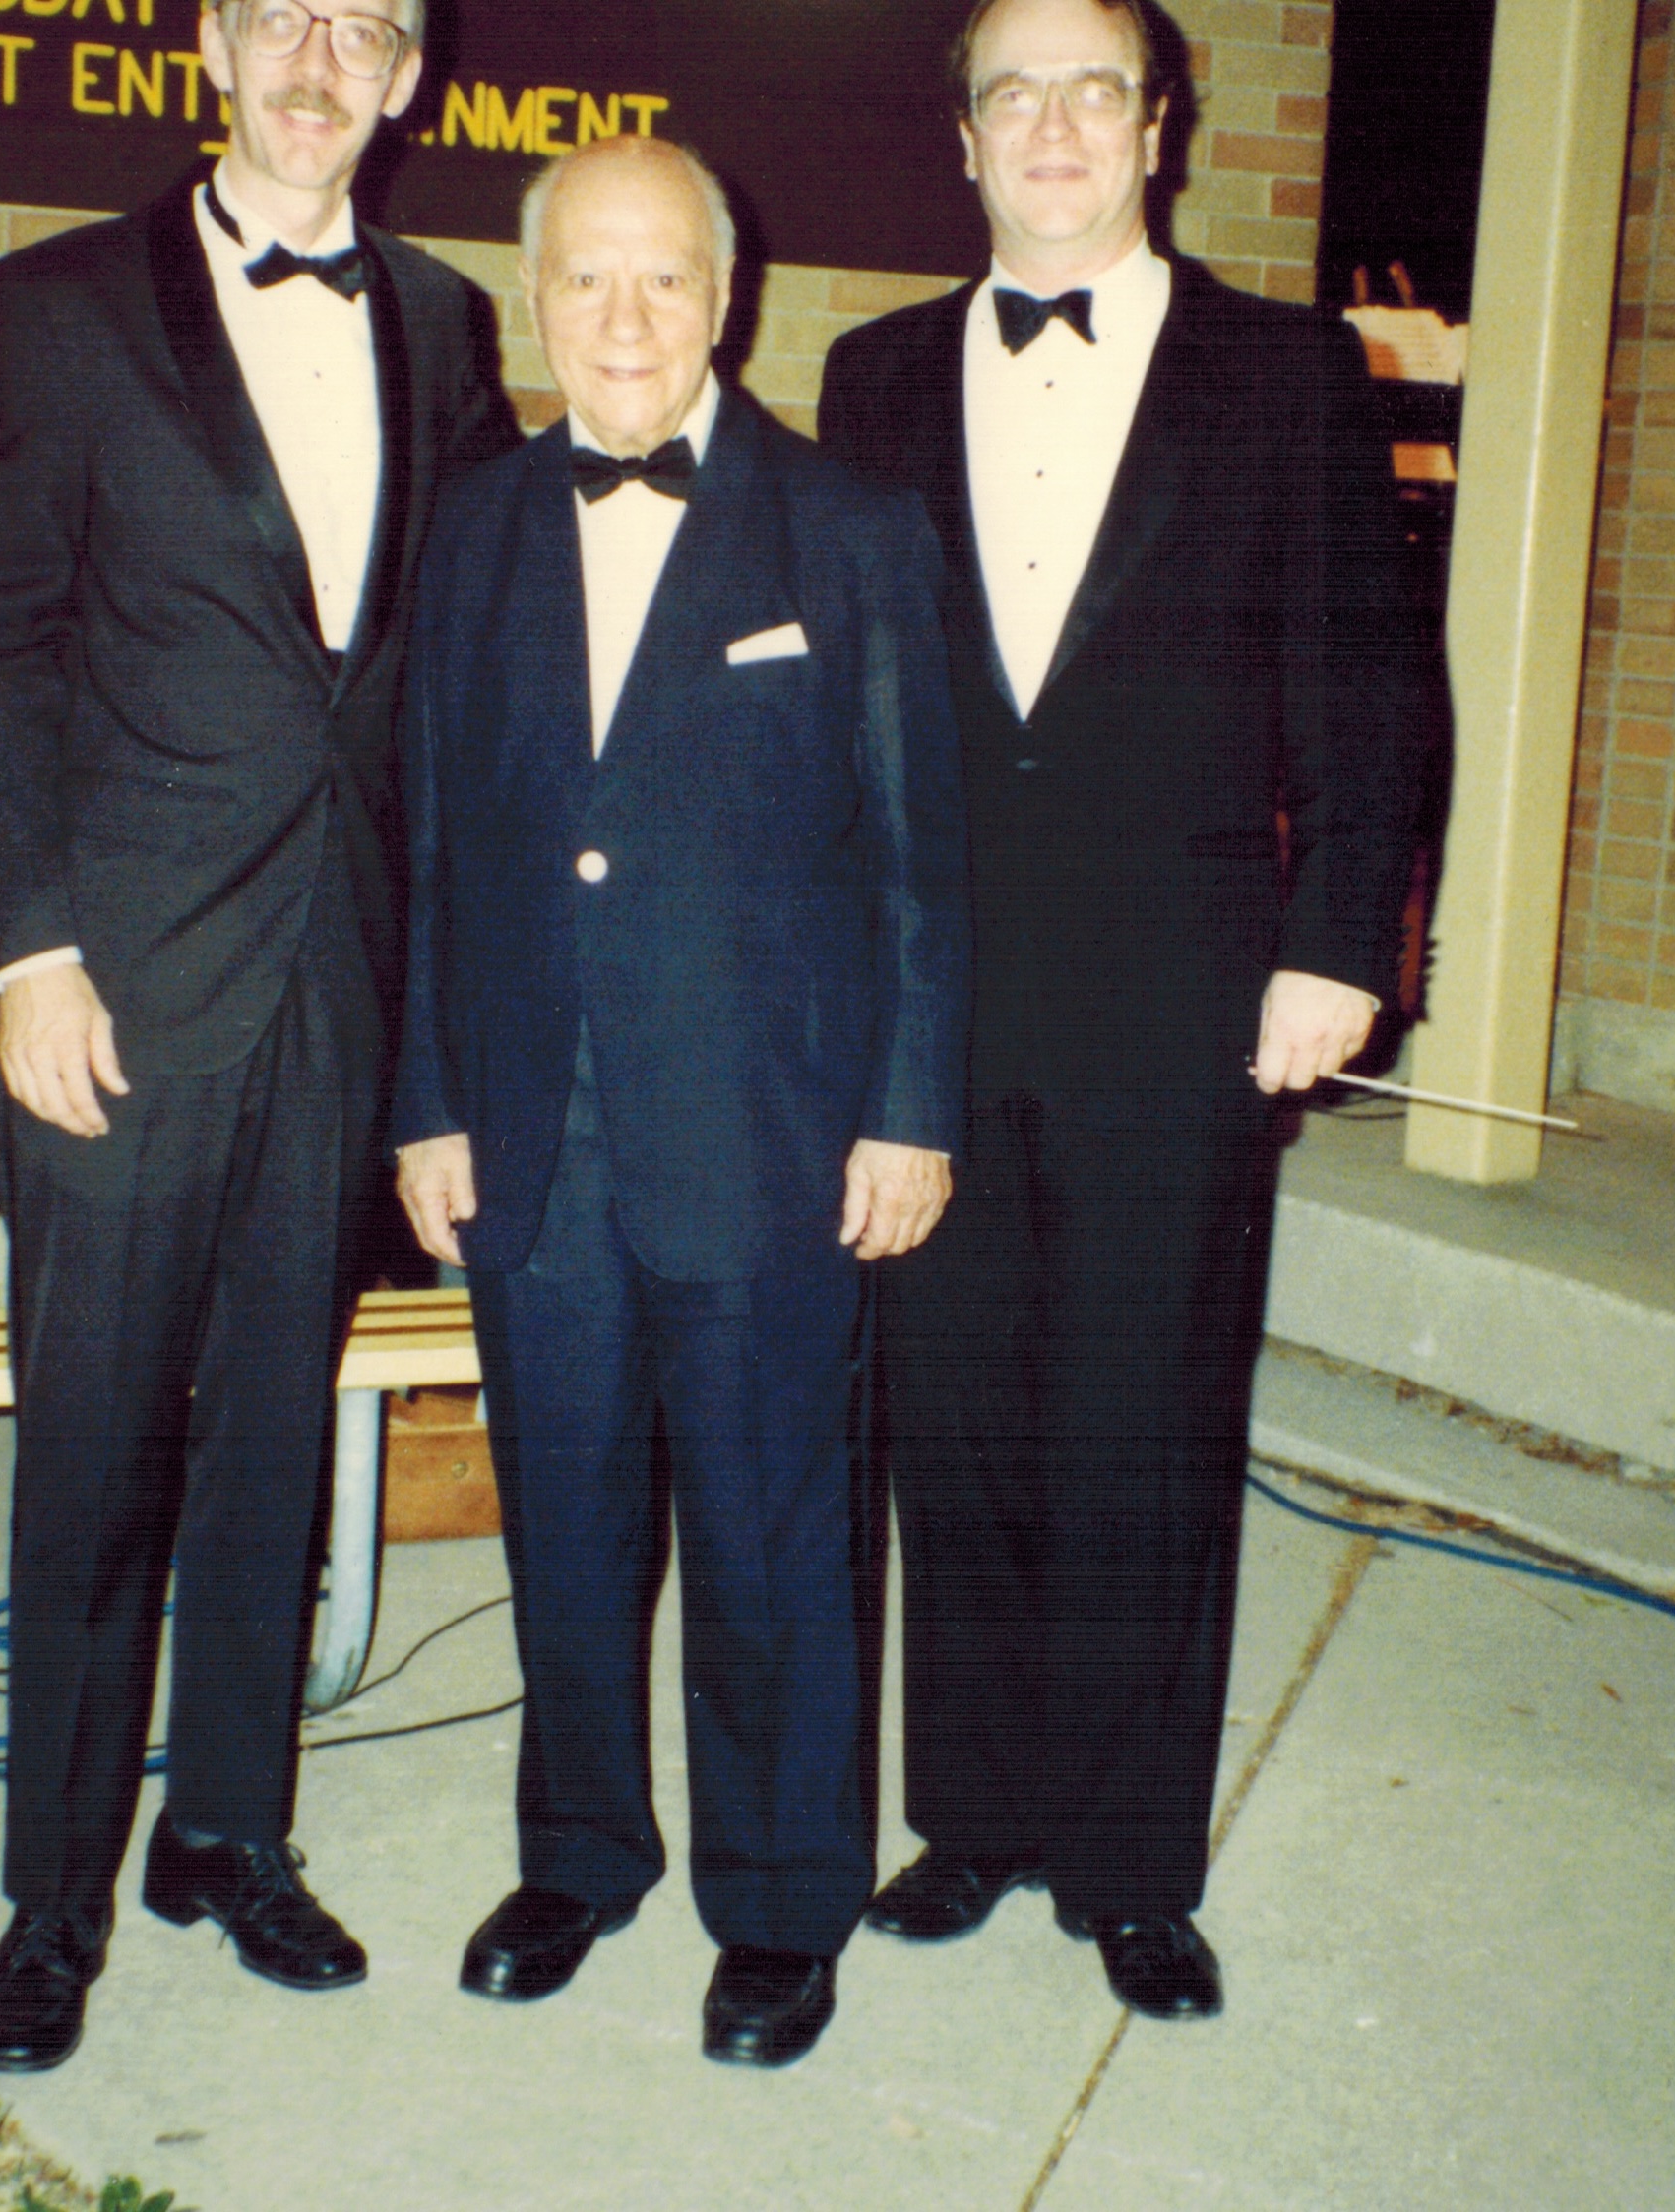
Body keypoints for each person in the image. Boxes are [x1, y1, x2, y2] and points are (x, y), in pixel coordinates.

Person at [819, 0, 1429, 2022]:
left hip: (1187, 989)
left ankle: (1129, 1854)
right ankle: (978, 1812)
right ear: (966, 140)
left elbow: (1371, 675)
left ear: (1156, 128)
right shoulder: (876, 373)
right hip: (936, 1004)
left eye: (1097, 89)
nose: (1056, 125)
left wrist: (1337, 940)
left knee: (1145, 1425)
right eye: (1017, 92)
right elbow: (840, 709)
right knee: (959, 1410)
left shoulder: (1287, 369)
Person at [0, 0, 516, 2074]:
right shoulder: (56, 306)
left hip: (339, 983)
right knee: (96, 1445)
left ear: (408, 76)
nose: (313, 55)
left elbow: (447, 674)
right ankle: (53, 1895)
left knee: (279, 1433)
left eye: (362, 24)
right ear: (207, 43)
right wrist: (31, 950)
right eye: (277, 12)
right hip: (127, 990)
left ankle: (228, 1832)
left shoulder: (446, 324)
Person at [392, 133, 970, 2071]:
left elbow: (917, 854)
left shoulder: (852, 525)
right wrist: (423, 1101)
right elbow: (435, 847)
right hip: (532, 1136)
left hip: (771, 1135)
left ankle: (784, 1895)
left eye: (662, 280)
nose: (622, 319)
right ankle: (577, 1850)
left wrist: (909, 1108)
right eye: (584, 280)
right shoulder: (468, 523)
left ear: (725, 299)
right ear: (536, 296)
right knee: (563, 1523)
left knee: (770, 1533)